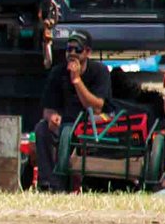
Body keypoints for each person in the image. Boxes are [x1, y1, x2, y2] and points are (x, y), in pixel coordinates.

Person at [33, 30, 113, 191]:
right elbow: (47, 109)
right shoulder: (58, 72)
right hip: (65, 124)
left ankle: (88, 183)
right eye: (69, 49)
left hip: (92, 124)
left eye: (78, 50)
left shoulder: (99, 71)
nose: (72, 54)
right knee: (42, 129)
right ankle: (50, 183)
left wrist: (76, 80)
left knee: (70, 131)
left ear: (88, 52)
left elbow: (97, 107)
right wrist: (52, 117)